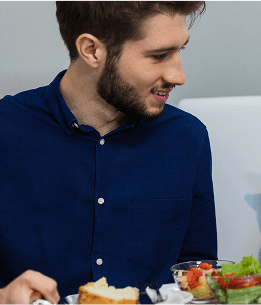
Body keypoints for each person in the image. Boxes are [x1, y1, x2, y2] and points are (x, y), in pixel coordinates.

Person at [0, 1, 217, 303]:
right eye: (158, 55)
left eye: (180, 50)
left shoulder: (187, 138)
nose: (178, 75)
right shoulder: (5, 130)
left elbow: (199, 271)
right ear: (91, 50)